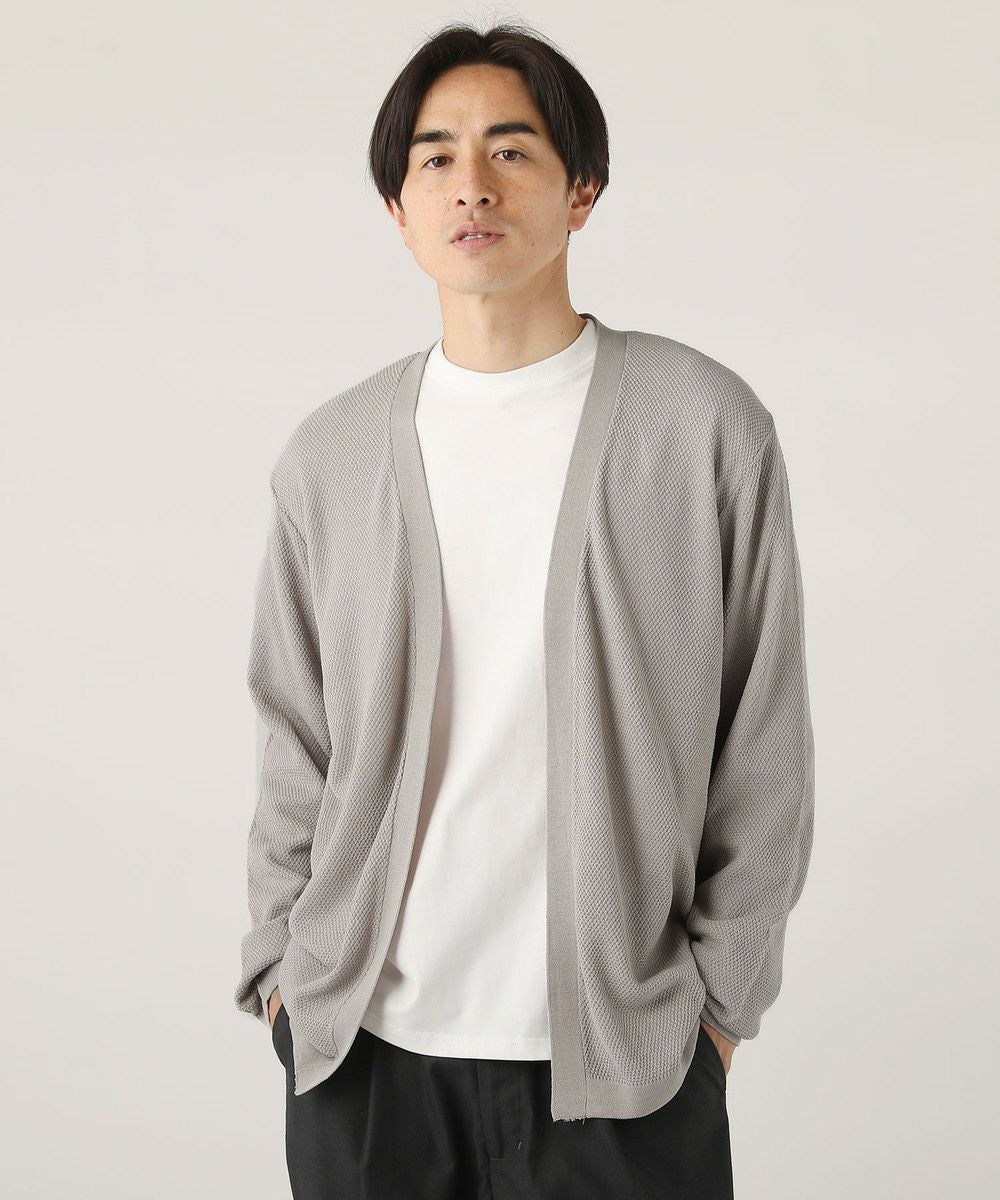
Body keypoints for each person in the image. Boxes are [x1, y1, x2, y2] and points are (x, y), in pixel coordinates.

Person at [234, 20, 815, 1200]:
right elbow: (294, 740)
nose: (471, 184)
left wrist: (716, 1011)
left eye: (510, 150)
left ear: (580, 189)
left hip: (626, 1067)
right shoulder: (332, 458)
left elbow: (765, 746)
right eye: (435, 158)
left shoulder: (701, 429)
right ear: (397, 208)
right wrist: (285, 979)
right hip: (364, 1058)